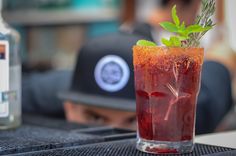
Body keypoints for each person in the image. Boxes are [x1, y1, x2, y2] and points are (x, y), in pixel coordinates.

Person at [23, 31, 233, 133]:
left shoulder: (188, 108)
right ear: (69, 107)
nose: (114, 134)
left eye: (134, 120)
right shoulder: (43, 94)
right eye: (96, 117)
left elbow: (223, 59)